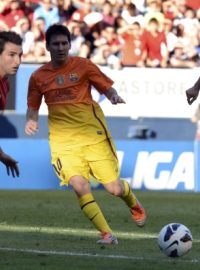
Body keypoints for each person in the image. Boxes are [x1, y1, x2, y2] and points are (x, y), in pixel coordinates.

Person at [25, 24, 146, 245]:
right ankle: (107, 234)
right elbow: (33, 107)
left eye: (64, 43)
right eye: (56, 44)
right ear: (47, 46)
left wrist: (113, 96)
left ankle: (133, 203)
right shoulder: (38, 77)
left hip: (93, 136)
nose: (61, 48)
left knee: (114, 188)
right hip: (64, 143)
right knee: (79, 185)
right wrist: (31, 121)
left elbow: (105, 87)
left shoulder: (84, 66)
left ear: (70, 44)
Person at [0, 31, 22, 177]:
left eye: (20, 55)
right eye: (11, 55)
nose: (18, 61)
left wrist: (1, 154)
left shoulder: (5, 84)